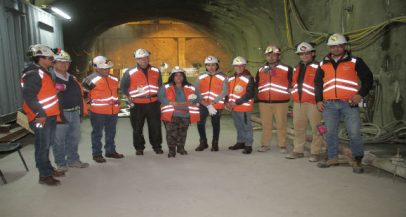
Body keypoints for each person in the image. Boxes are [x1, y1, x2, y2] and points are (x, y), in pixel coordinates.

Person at [315, 33, 373, 173]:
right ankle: (332, 157)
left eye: (339, 46)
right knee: (330, 133)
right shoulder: (323, 63)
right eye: (332, 46)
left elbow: (368, 79)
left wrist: (360, 94)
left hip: (349, 104)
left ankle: (357, 160)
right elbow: (317, 84)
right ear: (329, 47)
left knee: (353, 133)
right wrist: (318, 100)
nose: (335, 49)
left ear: (344, 46)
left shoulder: (355, 61)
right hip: (329, 105)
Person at [21, 44, 64, 186]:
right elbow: (29, 97)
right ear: (40, 58)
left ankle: (48, 169)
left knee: (46, 144)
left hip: (49, 116)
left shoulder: (43, 72)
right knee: (42, 145)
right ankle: (44, 175)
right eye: (50, 58)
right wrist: (40, 113)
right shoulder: (33, 74)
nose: (53, 60)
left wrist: (54, 91)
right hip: (39, 117)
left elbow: (42, 94)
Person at [51, 49, 89, 172]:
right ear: (54, 63)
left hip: (75, 112)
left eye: (66, 62)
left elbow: (79, 94)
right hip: (60, 114)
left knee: (74, 138)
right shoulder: (50, 78)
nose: (64, 64)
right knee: (59, 140)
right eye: (61, 62)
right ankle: (61, 163)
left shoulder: (72, 78)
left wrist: (82, 109)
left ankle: (73, 160)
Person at [120, 48, 163, 156]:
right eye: (140, 59)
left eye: (145, 58)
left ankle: (157, 146)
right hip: (137, 104)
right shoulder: (129, 72)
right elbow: (123, 87)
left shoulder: (156, 70)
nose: (143, 60)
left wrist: (161, 100)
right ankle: (139, 148)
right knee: (137, 127)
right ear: (136, 59)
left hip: (153, 103)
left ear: (148, 58)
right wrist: (129, 98)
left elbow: (160, 85)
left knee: (155, 126)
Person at [285, 42, 322, 162]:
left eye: (307, 53)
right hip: (298, 103)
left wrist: (320, 100)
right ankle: (298, 150)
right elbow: (295, 83)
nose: (304, 56)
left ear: (312, 53)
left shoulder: (319, 66)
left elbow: (323, 84)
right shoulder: (297, 67)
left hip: (314, 103)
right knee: (298, 128)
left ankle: (316, 152)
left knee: (317, 129)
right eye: (301, 54)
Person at [82, 56, 124, 163]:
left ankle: (110, 151)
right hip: (97, 112)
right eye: (104, 68)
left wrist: (117, 101)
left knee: (111, 132)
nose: (107, 70)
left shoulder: (114, 79)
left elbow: (113, 93)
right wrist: (88, 105)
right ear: (97, 68)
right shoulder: (90, 79)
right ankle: (97, 154)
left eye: (108, 68)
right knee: (97, 133)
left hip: (112, 111)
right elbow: (83, 94)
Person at [255, 45, 293, 154]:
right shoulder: (261, 70)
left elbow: (293, 83)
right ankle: (265, 144)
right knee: (266, 124)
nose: (271, 57)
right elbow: (257, 84)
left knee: (281, 124)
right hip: (264, 102)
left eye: (273, 55)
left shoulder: (287, 69)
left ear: (278, 56)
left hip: (281, 102)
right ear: (265, 57)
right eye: (268, 55)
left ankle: (282, 145)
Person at [158, 66, 200, 158]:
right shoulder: (165, 87)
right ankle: (172, 150)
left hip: (185, 115)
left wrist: (189, 103)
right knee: (171, 134)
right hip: (171, 115)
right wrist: (170, 103)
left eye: (180, 75)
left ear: (184, 76)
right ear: (172, 77)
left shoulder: (191, 87)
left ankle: (181, 148)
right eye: (176, 75)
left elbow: (198, 98)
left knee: (182, 133)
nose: (178, 77)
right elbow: (160, 97)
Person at [194, 56, 228, 152]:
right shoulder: (201, 76)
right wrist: (202, 101)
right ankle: (203, 142)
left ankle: (215, 143)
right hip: (203, 104)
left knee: (215, 123)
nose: (211, 67)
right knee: (200, 122)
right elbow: (196, 90)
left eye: (213, 65)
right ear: (206, 66)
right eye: (208, 65)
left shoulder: (223, 77)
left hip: (216, 105)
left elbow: (224, 91)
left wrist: (213, 101)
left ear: (217, 65)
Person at [226, 56, 255, 154]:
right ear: (234, 67)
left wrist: (236, 102)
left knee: (247, 126)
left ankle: (248, 145)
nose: (239, 68)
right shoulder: (230, 78)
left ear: (244, 66)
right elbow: (227, 92)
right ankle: (240, 142)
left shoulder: (249, 78)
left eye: (241, 66)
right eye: (236, 66)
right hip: (234, 108)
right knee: (238, 126)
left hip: (244, 107)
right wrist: (227, 102)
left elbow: (249, 94)